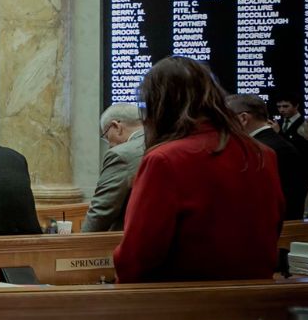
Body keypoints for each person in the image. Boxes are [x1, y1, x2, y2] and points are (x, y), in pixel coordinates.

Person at [114, 57, 281, 283]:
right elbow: (272, 227)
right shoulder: (262, 153)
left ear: (158, 104)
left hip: (185, 297)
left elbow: (137, 257)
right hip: (258, 294)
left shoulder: (164, 159)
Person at [227, 94, 308, 224]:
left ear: (243, 118)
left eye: (226, 118)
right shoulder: (275, 143)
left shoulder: (259, 149)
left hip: (274, 225)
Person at [81, 103, 145, 233]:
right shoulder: (166, 142)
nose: (109, 145)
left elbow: (102, 211)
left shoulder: (121, 155)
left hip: (129, 237)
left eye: (106, 136)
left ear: (116, 126)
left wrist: (80, 242)